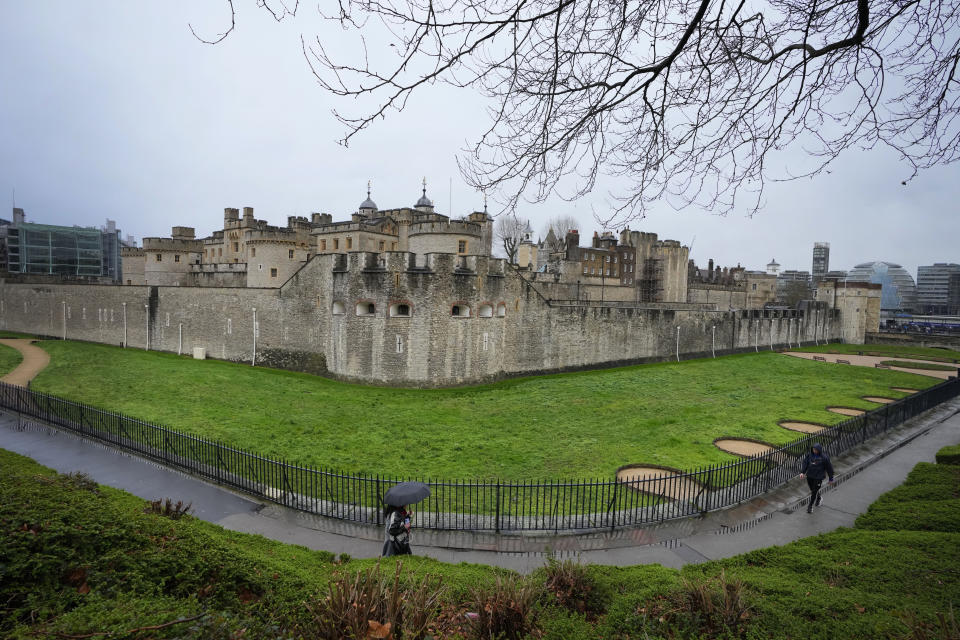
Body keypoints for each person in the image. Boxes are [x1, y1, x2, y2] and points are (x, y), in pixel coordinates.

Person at [799, 443, 834, 513]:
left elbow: (829, 468)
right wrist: (802, 472)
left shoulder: (824, 458)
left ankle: (810, 506)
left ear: (819, 450)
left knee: (814, 491)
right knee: (813, 490)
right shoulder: (809, 455)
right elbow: (805, 463)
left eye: (816, 450)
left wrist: (831, 478)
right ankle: (819, 498)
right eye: (813, 449)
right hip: (810, 476)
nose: (814, 451)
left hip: (818, 477)